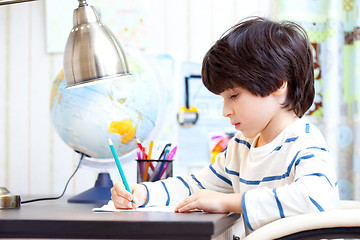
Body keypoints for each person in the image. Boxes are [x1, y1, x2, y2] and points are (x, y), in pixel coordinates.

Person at [111, 16, 340, 237]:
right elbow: (194, 187)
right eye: (223, 99)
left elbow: (314, 198)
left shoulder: (304, 141)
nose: (225, 111)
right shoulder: (241, 147)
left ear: (277, 85)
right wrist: (143, 193)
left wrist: (227, 201)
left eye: (234, 95)